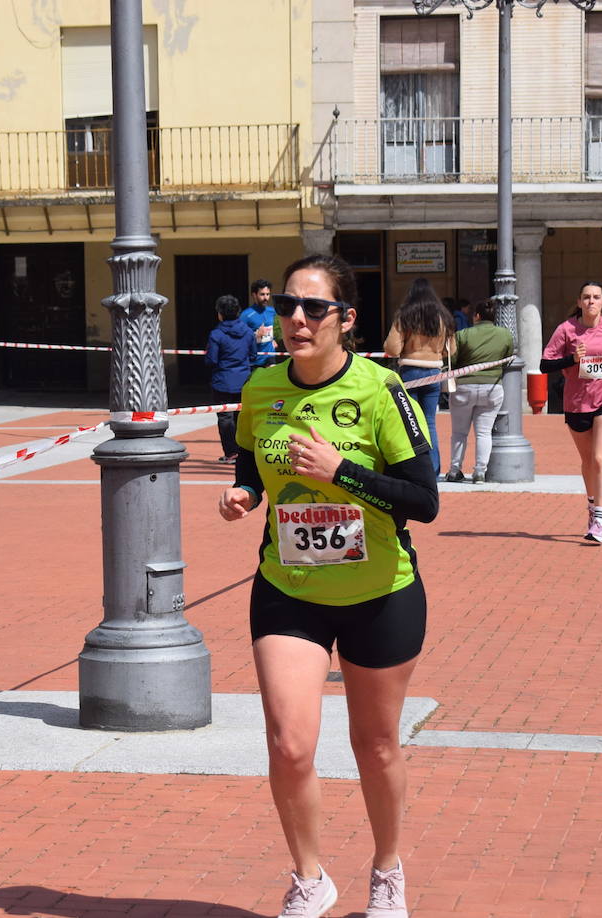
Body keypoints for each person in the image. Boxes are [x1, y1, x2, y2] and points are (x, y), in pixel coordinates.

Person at [218, 253, 438, 918]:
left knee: (376, 744)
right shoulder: (262, 388)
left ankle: (387, 870)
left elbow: (423, 500)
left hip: (380, 592)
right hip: (289, 588)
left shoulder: (380, 389)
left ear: (345, 318)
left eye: (314, 308)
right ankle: (309, 878)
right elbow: (252, 458)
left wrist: (341, 471)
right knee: (289, 745)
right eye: (288, 305)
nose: (297, 319)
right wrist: (245, 493)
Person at [539, 282, 602, 544]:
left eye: (596, 297)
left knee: (600, 458)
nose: (591, 301)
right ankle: (591, 505)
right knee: (588, 461)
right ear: (579, 302)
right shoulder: (566, 330)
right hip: (577, 403)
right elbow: (545, 365)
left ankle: (599, 519)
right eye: (586, 297)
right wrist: (572, 360)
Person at [383, 278, 454, 477]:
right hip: (434, 373)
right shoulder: (443, 317)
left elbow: (392, 348)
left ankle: (413, 470)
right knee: (429, 422)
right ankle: (434, 469)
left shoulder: (405, 315)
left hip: (410, 372)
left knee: (409, 422)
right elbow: (452, 349)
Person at [443, 299, 512, 483]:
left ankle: (454, 470)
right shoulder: (505, 335)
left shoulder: (462, 334)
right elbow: (507, 359)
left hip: (464, 387)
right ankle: (480, 472)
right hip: (492, 388)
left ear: (477, 316)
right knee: (484, 433)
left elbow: (452, 360)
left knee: (459, 433)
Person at [205, 293, 257, 462]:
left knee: (225, 418)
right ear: (238, 312)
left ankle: (231, 453)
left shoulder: (216, 334)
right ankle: (245, 452)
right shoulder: (248, 332)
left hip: (222, 382)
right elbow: (254, 356)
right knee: (242, 417)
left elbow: (211, 360)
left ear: (220, 314)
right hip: (244, 380)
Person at [240, 278, 278, 368]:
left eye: (268, 294)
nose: (266, 298)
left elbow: (277, 328)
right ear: (254, 295)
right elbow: (239, 340)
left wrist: (273, 339)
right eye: (262, 294)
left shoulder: (272, 311)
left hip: (269, 356)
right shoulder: (246, 315)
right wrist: (256, 336)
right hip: (254, 360)